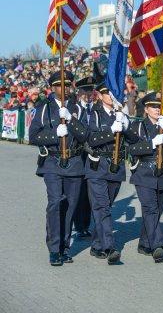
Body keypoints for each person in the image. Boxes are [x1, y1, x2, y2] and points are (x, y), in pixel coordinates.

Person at [29, 71, 87, 267]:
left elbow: (85, 135)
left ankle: (64, 246)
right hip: (53, 162)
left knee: (71, 206)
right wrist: (55, 133)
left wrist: (70, 119)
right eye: (60, 86)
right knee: (55, 203)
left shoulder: (77, 108)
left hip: (75, 162)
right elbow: (34, 135)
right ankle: (54, 249)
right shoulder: (43, 107)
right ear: (53, 88)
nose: (64, 89)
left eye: (67, 85)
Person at [127, 92, 163, 262]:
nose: (157, 109)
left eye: (159, 106)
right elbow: (132, 149)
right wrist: (151, 144)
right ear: (146, 109)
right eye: (153, 106)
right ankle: (157, 245)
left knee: (156, 210)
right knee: (150, 208)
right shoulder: (137, 126)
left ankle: (144, 243)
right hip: (144, 172)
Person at [86, 82, 137, 264]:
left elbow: (133, 139)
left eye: (113, 92)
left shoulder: (120, 114)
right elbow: (91, 138)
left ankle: (97, 245)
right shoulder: (94, 113)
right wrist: (110, 131)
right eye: (106, 93)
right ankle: (109, 247)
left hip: (116, 167)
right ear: (99, 96)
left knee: (105, 207)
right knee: (102, 207)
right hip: (97, 166)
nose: (111, 95)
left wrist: (125, 125)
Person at [72, 76, 96, 239]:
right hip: (79, 154)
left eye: (90, 91)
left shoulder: (96, 109)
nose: (88, 94)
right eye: (85, 91)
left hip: (93, 154)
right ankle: (78, 224)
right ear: (79, 93)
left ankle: (85, 224)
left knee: (90, 191)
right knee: (78, 191)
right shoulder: (75, 109)